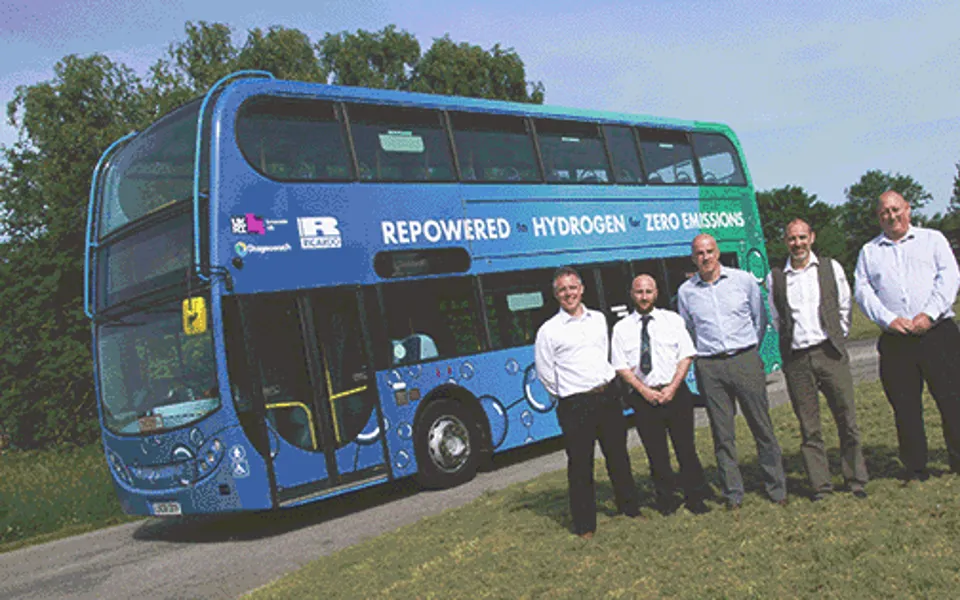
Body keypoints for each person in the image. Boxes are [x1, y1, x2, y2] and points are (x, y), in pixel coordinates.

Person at [854, 190, 960, 481]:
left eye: (896, 209)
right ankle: (915, 467)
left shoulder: (932, 239)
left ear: (908, 210)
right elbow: (863, 292)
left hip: (938, 333)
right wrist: (888, 319)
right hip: (896, 339)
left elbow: (949, 276)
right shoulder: (869, 252)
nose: (892, 216)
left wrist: (930, 313)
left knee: (952, 399)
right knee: (905, 405)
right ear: (879, 217)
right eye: (885, 212)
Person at [677, 234, 788, 509]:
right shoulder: (686, 291)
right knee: (722, 433)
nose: (705, 257)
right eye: (699, 253)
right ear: (694, 258)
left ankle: (776, 488)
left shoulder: (743, 280)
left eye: (710, 251)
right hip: (710, 366)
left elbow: (759, 319)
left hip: (745, 358)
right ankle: (733, 494)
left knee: (762, 426)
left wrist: (748, 351)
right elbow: (688, 329)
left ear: (718, 253)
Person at [535, 266, 642, 538]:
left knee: (618, 457)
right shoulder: (548, 331)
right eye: (562, 290)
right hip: (575, 405)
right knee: (580, 466)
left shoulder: (598, 319)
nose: (568, 293)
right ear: (555, 295)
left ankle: (629, 508)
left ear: (582, 289)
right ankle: (585, 525)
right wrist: (568, 393)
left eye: (572, 288)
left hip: (606, 396)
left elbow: (605, 353)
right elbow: (546, 373)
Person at [767, 219, 869, 500]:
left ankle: (856, 479)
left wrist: (837, 337)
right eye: (791, 238)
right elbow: (776, 318)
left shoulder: (830, 267)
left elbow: (845, 304)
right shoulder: (775, 276)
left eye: (802, 237)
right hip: (797, 360)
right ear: (785, 241)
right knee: (809, 426)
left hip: (829, 353)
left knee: (847, 418)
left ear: (811, 237)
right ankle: (821, 486)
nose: (797, 243)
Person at [612, 274, 711, 515]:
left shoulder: (672, 320)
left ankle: (695, 497)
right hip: (644, 399)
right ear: (631, 294)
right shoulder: (621, 328)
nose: (644, 297)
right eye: (639, 292)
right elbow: (621, 366)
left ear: (656, 293)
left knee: (686, 449)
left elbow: (686, 355)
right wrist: (645, 391)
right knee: (656, 453)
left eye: (648, 291)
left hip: (676, 393)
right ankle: (666, 499)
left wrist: (673, 387)